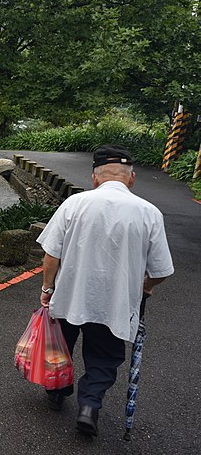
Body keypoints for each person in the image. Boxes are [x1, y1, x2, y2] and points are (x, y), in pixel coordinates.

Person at [36, 145, 174, 437]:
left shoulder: (74, 204)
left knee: (59, 348)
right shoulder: (149, 213)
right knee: (104, 356)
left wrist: (48, 288)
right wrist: (144, 288)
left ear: (95, 178)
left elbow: (51, 256)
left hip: (69, 296)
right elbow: (162, 270)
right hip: (116, 303)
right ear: (132, 178)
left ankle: (58, 393)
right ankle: (89, 406)